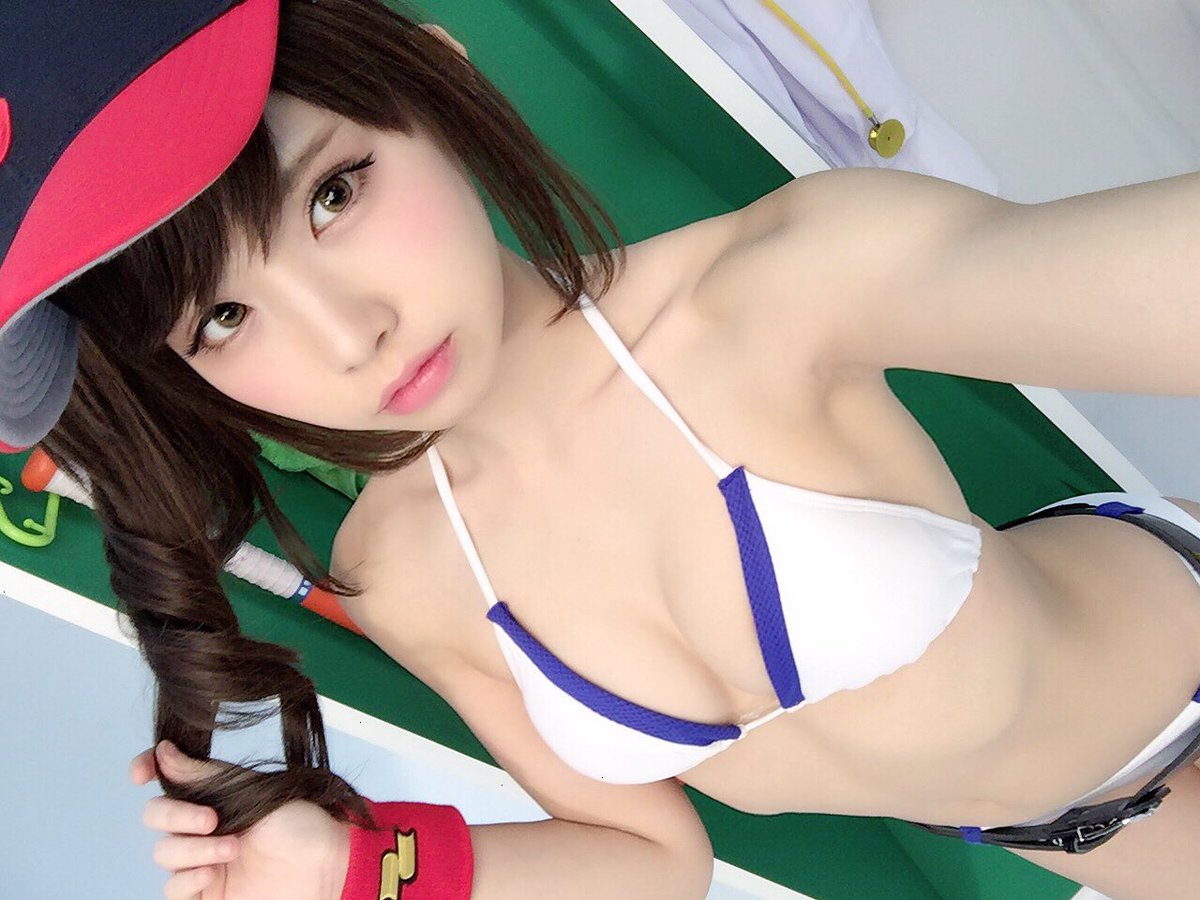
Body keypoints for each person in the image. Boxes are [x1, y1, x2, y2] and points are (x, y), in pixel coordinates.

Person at [4, 1, 1199, 898]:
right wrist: (357, 870)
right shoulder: (407, 571)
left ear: (438, 79)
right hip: (1077, 829)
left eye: (334, 193)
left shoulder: (769, 293)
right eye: (223, 317)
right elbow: (650, 858)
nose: (349, 333)